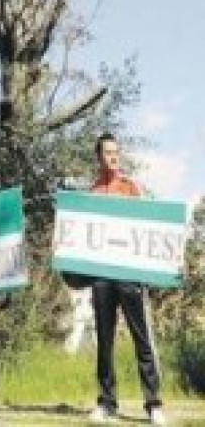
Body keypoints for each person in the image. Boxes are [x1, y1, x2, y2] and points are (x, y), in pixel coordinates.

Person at [87, 133, 165, 426]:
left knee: (141, 339)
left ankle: (153, 403)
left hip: (130, 278)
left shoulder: (131, 187)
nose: (114, 157)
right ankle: (106, 403)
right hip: (102, 279)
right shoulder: (91, 192)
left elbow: (147, 226)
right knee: (104, 342)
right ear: (99, 157)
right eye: (108, 152)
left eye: (116, 152)